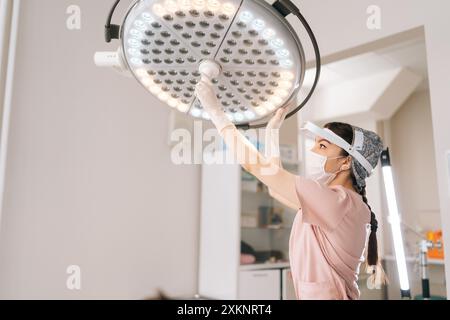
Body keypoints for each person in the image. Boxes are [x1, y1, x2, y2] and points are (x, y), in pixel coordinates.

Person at [195, 78, 386, 300]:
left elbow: (255, 166)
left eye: (322, 146)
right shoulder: (344, 202)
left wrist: (217, 114)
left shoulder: (336, 201)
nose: (313, 150)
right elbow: (274, 188)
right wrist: (272, 131)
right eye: (314, 143)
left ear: (346, 162)